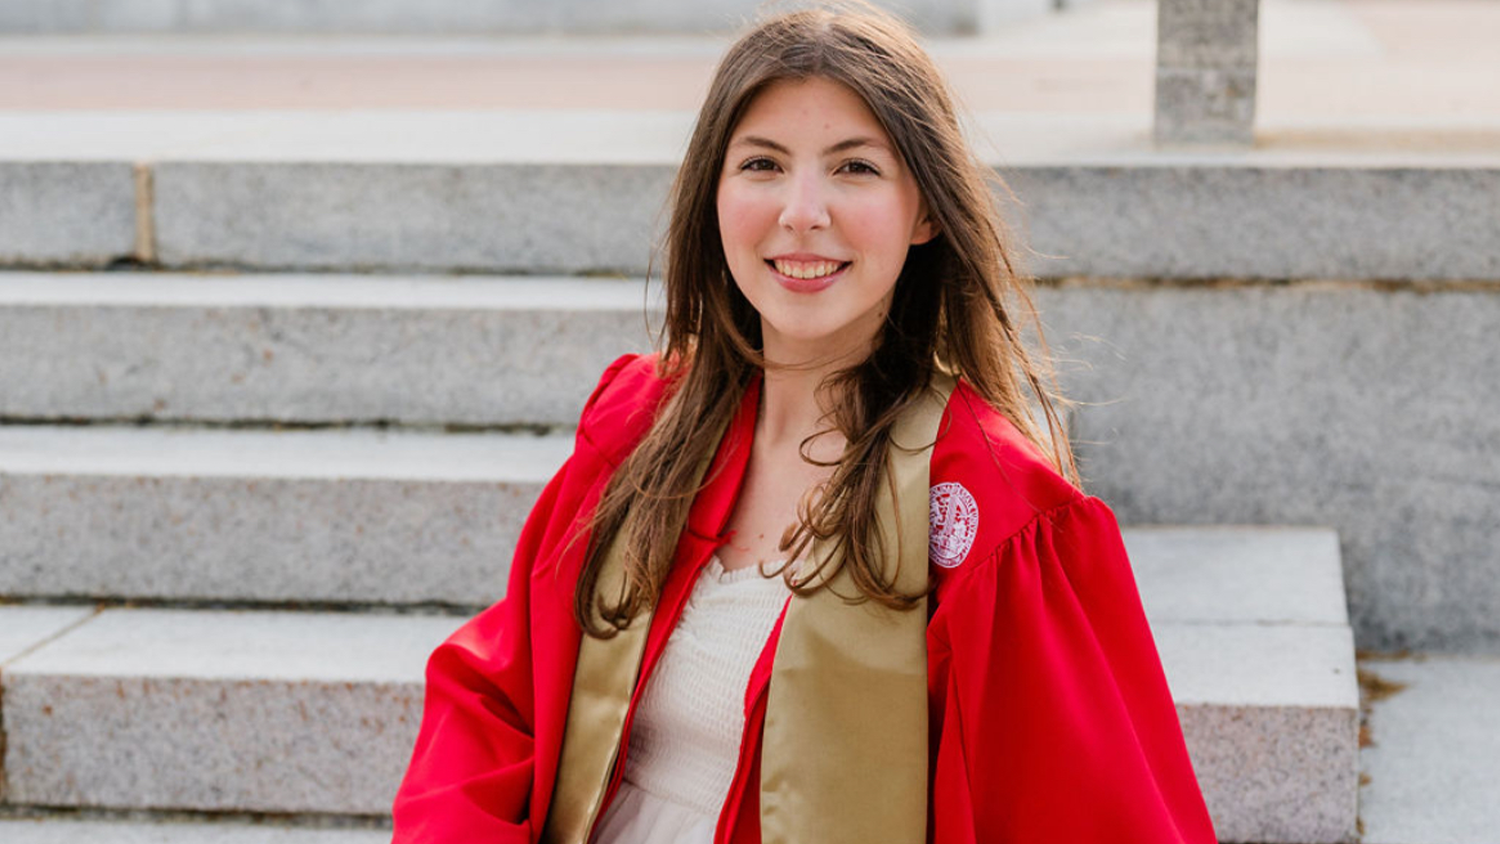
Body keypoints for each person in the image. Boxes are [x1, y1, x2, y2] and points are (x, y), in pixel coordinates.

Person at [392, 4, 1217, 843]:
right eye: (762, 164)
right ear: (714, 195)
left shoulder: (989, 509)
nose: (801, 211)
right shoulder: (645, 427)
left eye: (854, 168)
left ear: (925, 211)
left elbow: (1085, 814)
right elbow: (498, 698)